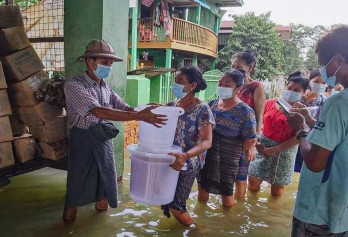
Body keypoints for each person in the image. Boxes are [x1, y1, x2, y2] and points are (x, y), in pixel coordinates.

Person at [63, 39, 167, 222]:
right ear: (90, 61)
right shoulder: (74, 85)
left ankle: (100, 222)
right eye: (104, 63)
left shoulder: (105, 86)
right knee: (77, 182)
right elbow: (98, 111)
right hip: (83, 139)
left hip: (103, 138)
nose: (108, 67)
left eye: (110, 64)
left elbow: (125, 108)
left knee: (105, 179)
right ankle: (68, 219)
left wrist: (143, 109)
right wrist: (141, 116)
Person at [287, 25, 348, 237]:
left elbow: (314, 162)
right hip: (343, 214)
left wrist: (301, 131)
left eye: (324, 62)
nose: (323, 69)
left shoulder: (337, 102)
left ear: (339, 59)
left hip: (318, 212)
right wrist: (313, 122)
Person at [161, 67, 214, 226]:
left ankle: (195, 233)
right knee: (166, 198)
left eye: (180, 82)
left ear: (192, 85)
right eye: (175, 81)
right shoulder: (172, 105)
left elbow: (207, 141)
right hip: (170, 159)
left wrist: (186, 156)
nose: (175, 85)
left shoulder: (202, 109)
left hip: (187, 162)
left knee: (176, 205)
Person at [197, 70, 257, 207]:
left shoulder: (245, 112)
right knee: (202, 185)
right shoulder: (212, 104)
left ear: (238, 88)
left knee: (226, 191)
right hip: (207, 153)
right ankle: (200, 213)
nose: (222, 87)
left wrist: (234, 152)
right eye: (220, 83)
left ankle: (227, 223)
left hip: (229, 158)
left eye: (227, 84)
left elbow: (250, 138)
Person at [248, 76, 309, 196]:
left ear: (303, 93)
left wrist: (275, 149)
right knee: (252, 180)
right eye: (289, 88)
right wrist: (257, 142)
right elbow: (258, 122)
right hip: (262, 147)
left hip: (284, 151)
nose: (291, 92)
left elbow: (299, 137)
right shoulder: (270, 103)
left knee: (277, 189)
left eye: (297, 90)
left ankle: (272, 213)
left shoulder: (303, 112)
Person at [230, 51, 266, 198]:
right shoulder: (230, 84)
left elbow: (259, 116)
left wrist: (252, 145)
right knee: (226, 174)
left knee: (240, 177)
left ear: (250, 67)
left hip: (246, 139)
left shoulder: (256, 87)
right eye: (232, 66)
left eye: (238, 67)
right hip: (228, 137)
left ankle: (238, 211)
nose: (234, 69)